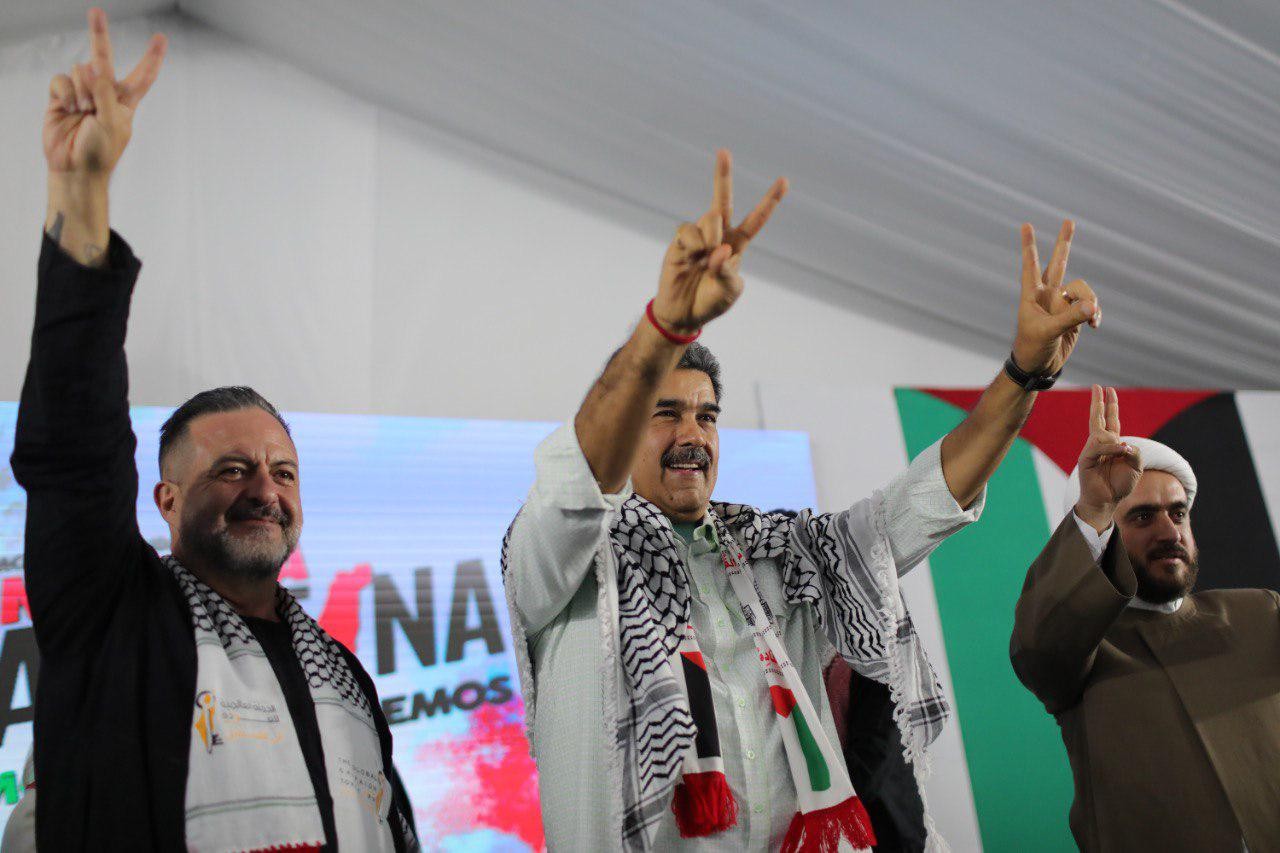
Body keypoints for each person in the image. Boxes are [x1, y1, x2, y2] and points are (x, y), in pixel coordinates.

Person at [502, 147, 1103, 851]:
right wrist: (663, 328)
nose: (692, 435)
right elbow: (578, 481)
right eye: (665, 413)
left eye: (706, 416)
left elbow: (928, 498)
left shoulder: (782, 555)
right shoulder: (566, 563)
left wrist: (1024, 373)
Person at [11, 10, 416, 850]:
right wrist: (81, 198)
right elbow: (75, 451)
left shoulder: (342, 671)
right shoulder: (114, 617)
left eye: (283, 471)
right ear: (166, 499)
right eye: (232, 469)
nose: (265, 489)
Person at [1010, 386, 1280, 851]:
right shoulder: (1080, 647)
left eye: (1179, 513)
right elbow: (1038, 648)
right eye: (1142, 517)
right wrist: (1093, 506)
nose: (1170, 531)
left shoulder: (1260, 613)